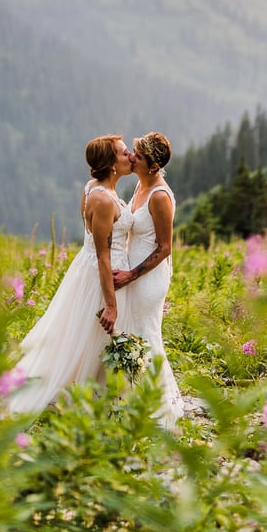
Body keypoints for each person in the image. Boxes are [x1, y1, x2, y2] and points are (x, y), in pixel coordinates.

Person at [2, 134, 135, 417]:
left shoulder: (94, 188)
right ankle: (81, 397)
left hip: (91, 267)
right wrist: (110, 304)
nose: (130, 156)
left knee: (81, 335)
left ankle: (97, 394)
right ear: (112, 165)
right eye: (124, 154)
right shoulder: (102, 200)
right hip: (100, 274)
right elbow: (102, 254)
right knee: (94, 332)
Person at [112, 131, 184, 427]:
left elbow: (165, 247)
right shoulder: (141, 185)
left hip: (148, 276)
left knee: (145, 334)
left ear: (153, 165)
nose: (131, 157)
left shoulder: (160, 196)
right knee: (132, 332)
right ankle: (133, 398)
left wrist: (131, 274)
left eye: (137, 156)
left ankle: (159, 409)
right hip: (133, 271)